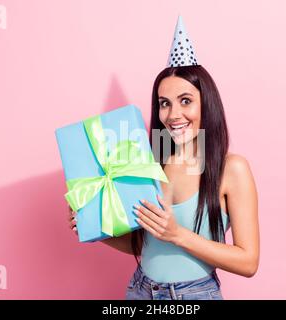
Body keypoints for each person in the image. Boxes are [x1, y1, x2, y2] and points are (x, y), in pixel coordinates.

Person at [68, 16, 259, 300]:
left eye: (185, 101)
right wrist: (97, 231)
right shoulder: (150, 162)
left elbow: (248, 261)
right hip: (141, 289)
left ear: (206, 103)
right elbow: (146, 244)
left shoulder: (232, 169)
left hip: (194, 295)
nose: (173, 115)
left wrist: (178, 234)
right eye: (164, 104)